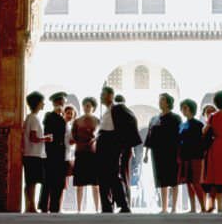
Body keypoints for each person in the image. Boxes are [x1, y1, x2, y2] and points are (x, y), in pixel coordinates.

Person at [95, 85, 141, 213]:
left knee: (113, 175)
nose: (100, 96)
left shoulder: (118, 108)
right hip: (102, 141)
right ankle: (106, 206)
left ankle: (124, 205)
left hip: (111, 143)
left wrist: (124, 142)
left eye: (103, 94)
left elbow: (131, 120)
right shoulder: (105, 111)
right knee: (102, 176)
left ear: (110, 95)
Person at [144, 92, 181, 213]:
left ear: (168, 103)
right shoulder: (154, 119)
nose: (160, 102)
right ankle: (164, 207)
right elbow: (149, 136)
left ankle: (174, 207)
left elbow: (179, 136)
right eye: (159, 100)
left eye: (163, 100)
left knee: (174, 179)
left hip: (172, 152)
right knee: (161, 180)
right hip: (157, 153)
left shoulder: (176, 118)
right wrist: (145, 154)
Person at [22, 91, 53, 214]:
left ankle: (28, 206)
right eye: (42, 101)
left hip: (30, 153)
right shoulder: (34, 119)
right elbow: (33, 138)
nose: (43, 104)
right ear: (37, 103)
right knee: (32, 182)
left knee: (29, 182)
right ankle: (32, 207)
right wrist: (46, 138)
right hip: (33, 154)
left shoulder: (30, 117)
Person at [38, 91, 68, 213]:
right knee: (49, 180)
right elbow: (50, 133)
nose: (63, 104)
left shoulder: (61, 118)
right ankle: (45, 206)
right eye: (61, 102)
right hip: (52, 153)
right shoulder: (49, 116)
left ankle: (54, 206)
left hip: (60, 153)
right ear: (57, 103)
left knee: (58, 182)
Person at [177, 98, 207, 213]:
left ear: (191, 109)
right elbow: (179, 140)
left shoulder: (198, 124)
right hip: (185, 156)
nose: (183, 110)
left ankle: (203, 207)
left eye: (185, 107)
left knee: (196, 182)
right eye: (182, 108)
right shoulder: (182, 125)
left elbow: (200, 142)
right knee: (188, 182)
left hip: (195, 156)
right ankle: (193, 207)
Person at [71, 97, 100, 213]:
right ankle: (78, 209)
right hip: (80, 152)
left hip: (93, 154)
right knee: (80, 183)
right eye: (84, 105)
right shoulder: (77, 121)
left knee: (95, 184)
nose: (86, 107)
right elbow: (74, 136)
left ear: (93, 107)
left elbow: (100, 135)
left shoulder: (98, 121)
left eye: (88, 105)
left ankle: (97, 209)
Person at [200, 103, 217, 212]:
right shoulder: (204, 126)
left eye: (212, 111)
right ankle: (204, 206)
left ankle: (212, 205)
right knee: (204, 181)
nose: (210, 114)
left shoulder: (216, 126)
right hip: (205, 156)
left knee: (214, 181)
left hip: (215, 156)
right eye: (208, 112)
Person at [62, 104, 78, 212]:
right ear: (64, 113)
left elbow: (71, 142)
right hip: (62, 156)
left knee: (65, 182)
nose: (70, 115)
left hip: (68, 156)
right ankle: (58, 206)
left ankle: (60, 206)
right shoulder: (63, 125)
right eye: (68, 113)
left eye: (72, 114)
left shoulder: (69, 126)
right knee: (62, 183)